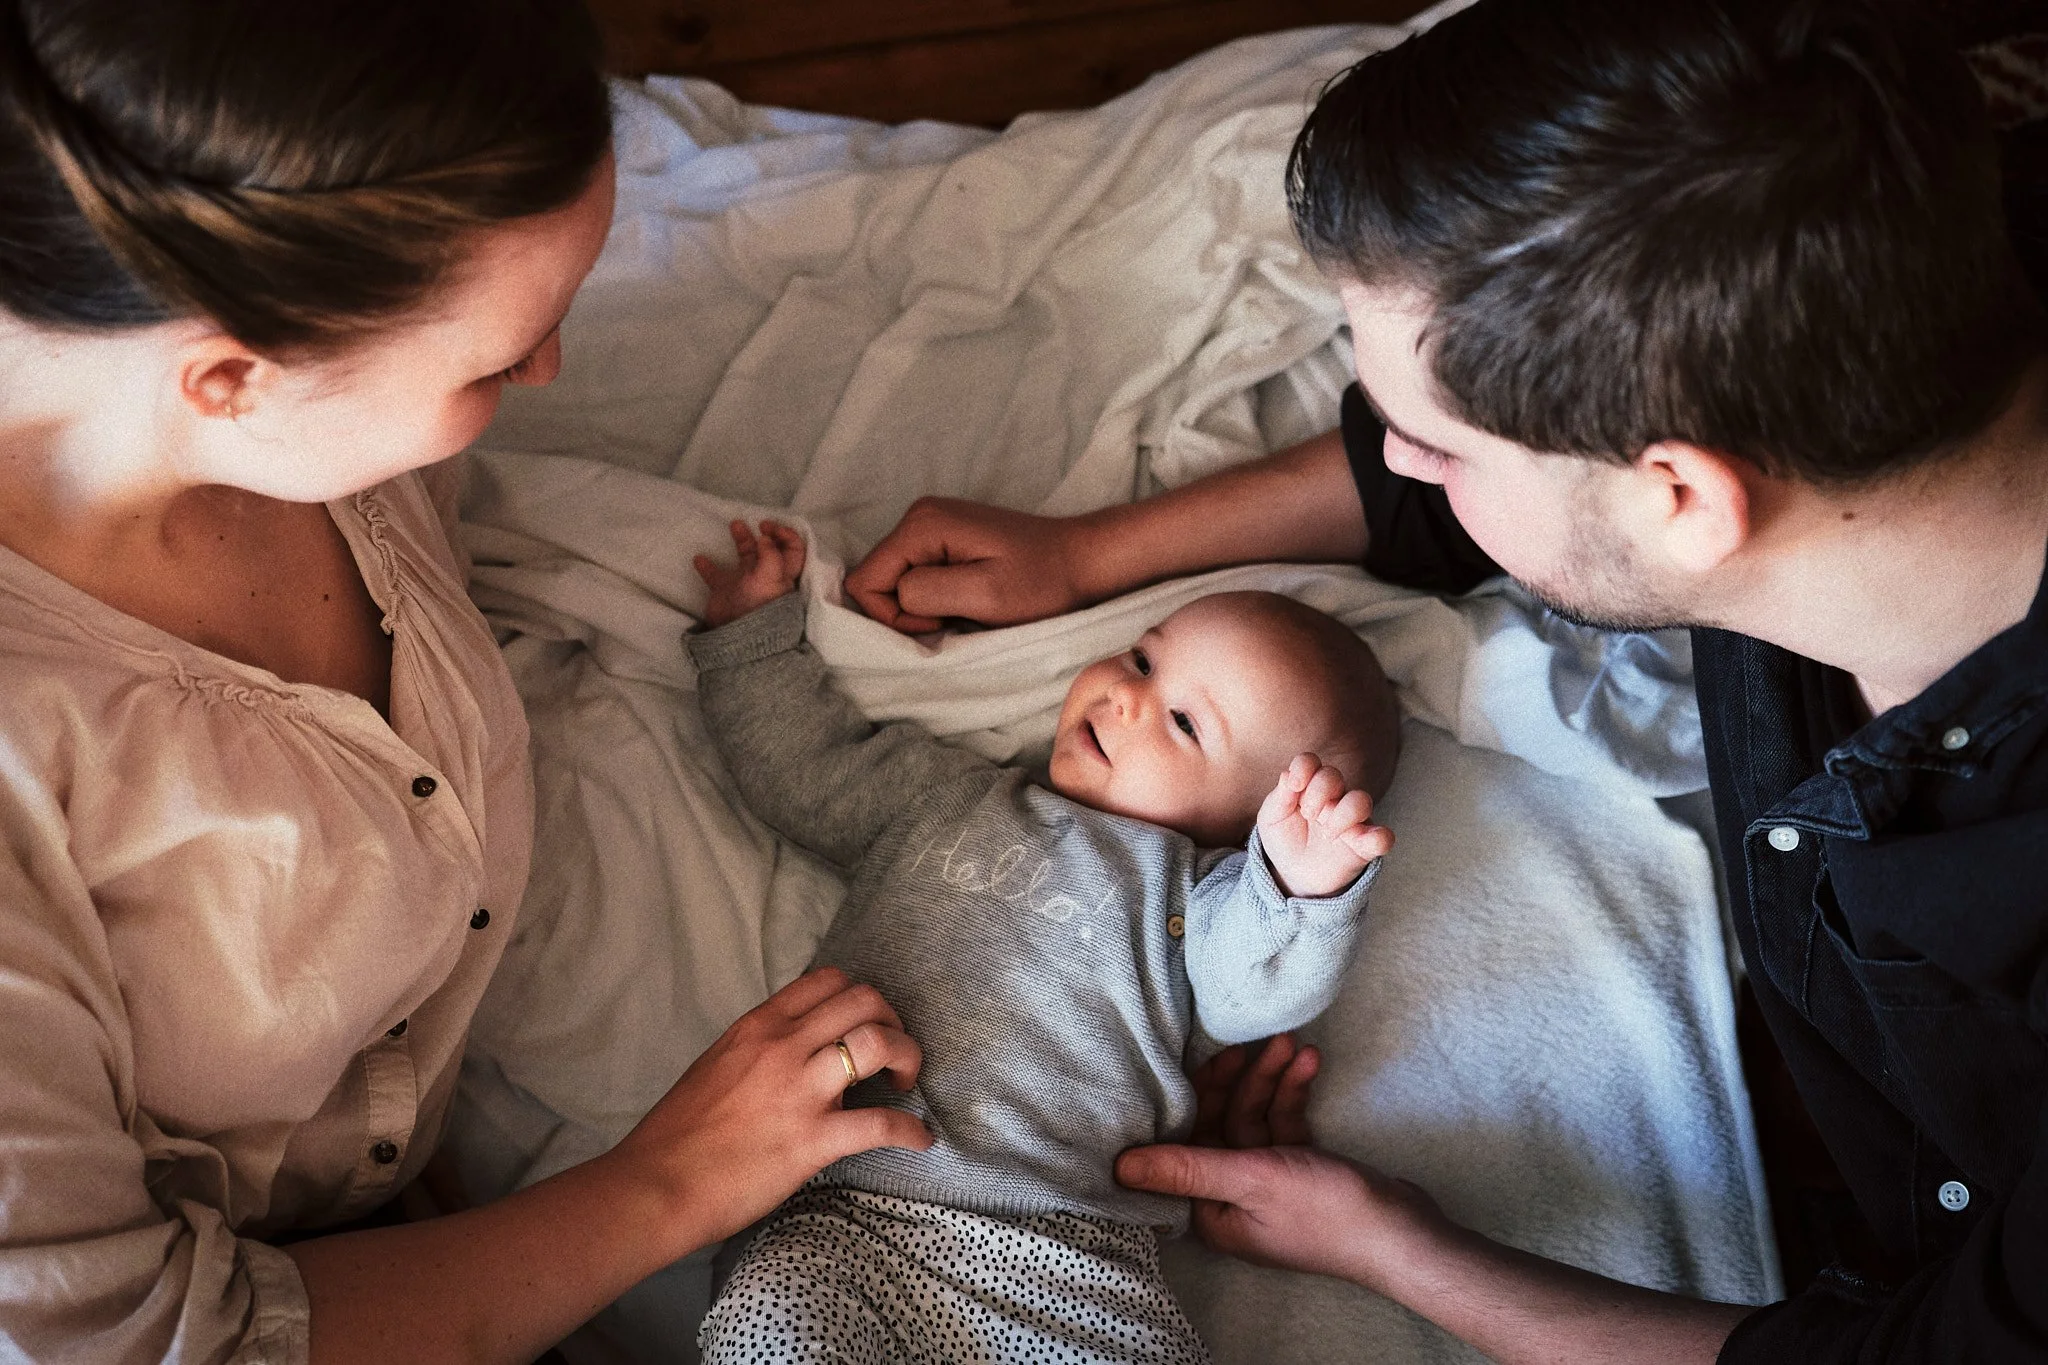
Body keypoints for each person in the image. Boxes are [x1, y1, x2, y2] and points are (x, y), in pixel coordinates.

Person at [843, 0, 2048, 1359]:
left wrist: (1398, 1250)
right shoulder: (1887, 303)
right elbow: (1434, 484)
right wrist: (1085, 556)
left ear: (1681, 498)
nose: (1400, 461)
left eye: (1442, 445)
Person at [0, 5, 933, 1363]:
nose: (551, 367)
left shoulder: (248, 391)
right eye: (500, 360)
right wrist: (673, 1181)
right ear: (233, 381)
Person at [685, 519, 1397, 1362]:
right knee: (768, 1323)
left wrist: (1297, 886)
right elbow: (810, 769)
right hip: (844, 1214)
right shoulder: (944, 797)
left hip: (1069, 1256)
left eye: (1183, 723)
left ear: (1252, 827)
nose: (1126, 696)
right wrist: (751, 644)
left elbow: (1258, 982)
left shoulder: (1195, 902)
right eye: (1142, 658)